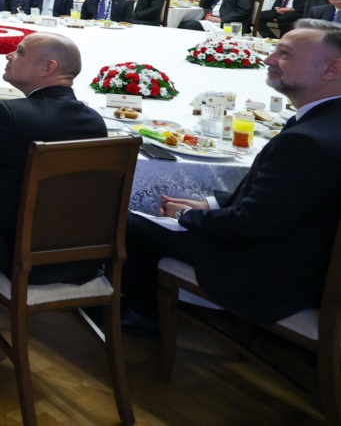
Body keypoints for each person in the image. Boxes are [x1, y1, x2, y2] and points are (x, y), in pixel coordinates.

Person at [121, 20, 341, 328]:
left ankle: (141, 316)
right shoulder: (323, 123)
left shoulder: (306, 141)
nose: (268, 59)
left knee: (129, 222)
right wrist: (209, 205)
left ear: (332, 69)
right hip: (304, 252)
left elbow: (250, 224)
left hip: (272, 274)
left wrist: (186, 214)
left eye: (285, 54)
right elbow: (285, 202)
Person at [0, 32, 107, 292]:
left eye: (20, 51)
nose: (9, 55)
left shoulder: (10, 114)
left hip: (2, 249)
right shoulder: (94, 121)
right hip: (69, 252)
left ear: (47, 67)